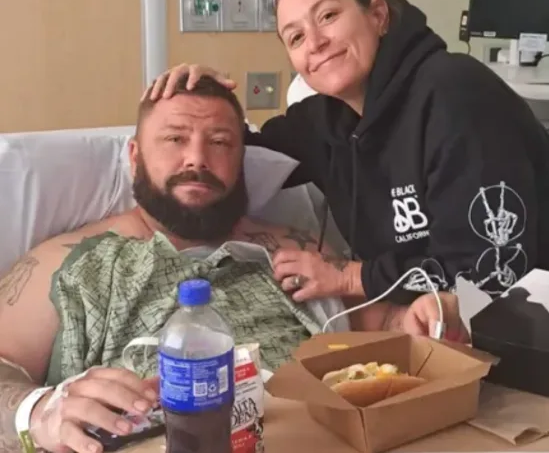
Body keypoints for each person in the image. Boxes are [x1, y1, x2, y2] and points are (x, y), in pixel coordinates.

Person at [0, 74, 464, 453]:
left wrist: (425, 318)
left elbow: (386, 325)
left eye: (220, 142)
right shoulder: (71, 264)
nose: (197, 159)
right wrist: (36, 413)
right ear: (135, 157)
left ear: (241, 160)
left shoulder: (292, 247)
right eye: (175, 138)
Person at [148, 0, 549, 306]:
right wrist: (200, 97)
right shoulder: (321, 122)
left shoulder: (453, 92)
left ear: (378, 15)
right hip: (436, 322)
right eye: (296, 37)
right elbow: (231, 151)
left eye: (327, 16)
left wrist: (348, 277)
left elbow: (489, 271)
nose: (316, 43)